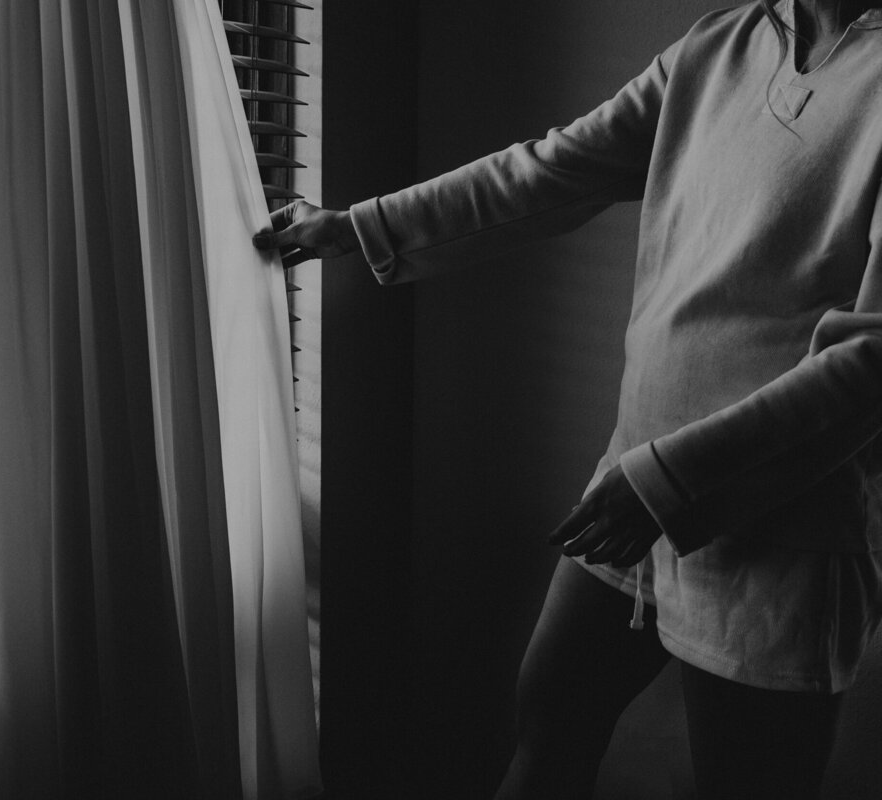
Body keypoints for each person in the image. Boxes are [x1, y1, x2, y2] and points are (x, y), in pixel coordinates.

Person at [252, 1, 882, 797]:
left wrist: (669, 482)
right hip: (632, 476)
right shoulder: (722, 42)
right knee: (549, 716)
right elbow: (555, 166)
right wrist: (358, 226)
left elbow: (871, 363)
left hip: (778, 525)